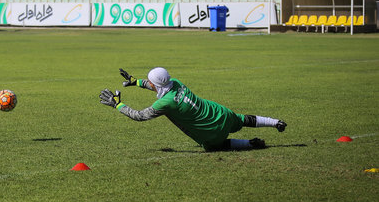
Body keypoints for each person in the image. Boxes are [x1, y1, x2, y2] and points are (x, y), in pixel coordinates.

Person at [99, 67, 287, 151]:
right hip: (221, 113)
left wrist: (118, 104)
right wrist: (136, 82)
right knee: (243, 119)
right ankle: (275, 122)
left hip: (211, 133)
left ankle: (248, 144)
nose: (148, 83)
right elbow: (157, 85)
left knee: (216, 146)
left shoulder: (165, 103)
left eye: (149, 82)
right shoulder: (177, 83)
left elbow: (139, 116)